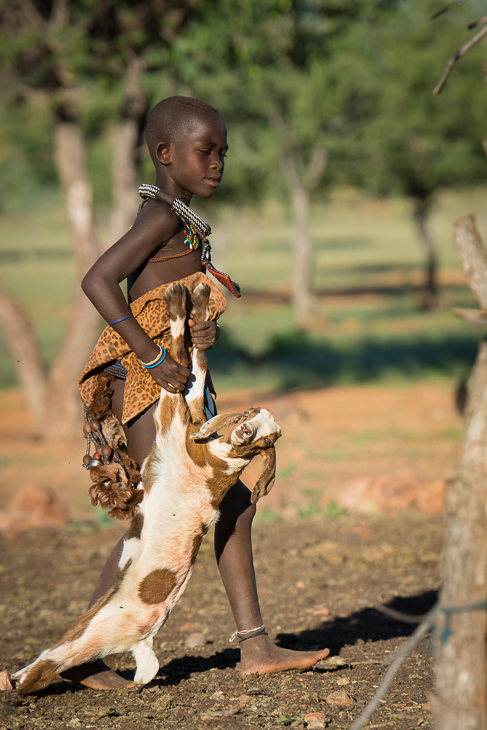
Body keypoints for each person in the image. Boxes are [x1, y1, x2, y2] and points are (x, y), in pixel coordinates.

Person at [67, 96, 329, 690]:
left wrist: (194, 329)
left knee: (230, 498)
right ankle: (80, 653)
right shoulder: (160, 216)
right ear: (164, 154)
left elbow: (162, 297)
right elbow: (98, 281)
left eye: (222, 153)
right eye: (205, 151)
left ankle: (254, 645)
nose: (217, 163)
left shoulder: (180, 217)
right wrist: (155, 353)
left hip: (179, 375)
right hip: (146, 381)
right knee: (155, 518)